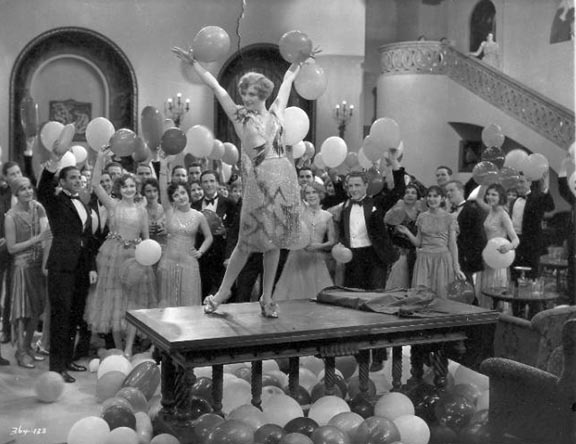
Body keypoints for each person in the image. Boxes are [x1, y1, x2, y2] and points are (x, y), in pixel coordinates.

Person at [173, 44, 306, 318]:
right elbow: (218, 89)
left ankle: (267, 297)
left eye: (252, 94)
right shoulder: (239, 117)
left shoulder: (277, 112)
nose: (246, 97)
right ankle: (223, 292)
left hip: (283, 185)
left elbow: (288, 80)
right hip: (259, 188)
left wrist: (300, 61)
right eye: (244, 93)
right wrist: (195, 64)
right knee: (246, 244)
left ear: (263, 95)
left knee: (275, 243)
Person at [85, 149, 157, 358]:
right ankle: (119, 348)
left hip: (135, 258)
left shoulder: (141, 209)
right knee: (114, 302)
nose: (128, 189)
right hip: (112, 256)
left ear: (137, 188)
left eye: (132, 186)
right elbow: (96, 185)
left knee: (134, 304)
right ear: (119, 188)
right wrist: (99, 160)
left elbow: (146, 238)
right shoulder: (113, 205)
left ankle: (129, 347)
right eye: (124, 186)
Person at [38, 156, 98, 383]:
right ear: (61, 182)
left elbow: (87, 238)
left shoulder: (82, 202)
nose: (77, 180)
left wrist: (91, 266)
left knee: (74, 315)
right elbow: (43, 186)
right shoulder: (54, 200)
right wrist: (51, 164)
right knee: (60, 316)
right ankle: (56, 367)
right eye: (71, 177)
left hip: (81, 267)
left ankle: (67, 360)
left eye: (78, 177)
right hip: (61, 266)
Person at [5, 177, 50, 368]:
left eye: (29, 188)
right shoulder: (10, 216)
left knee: (37, 307)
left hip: (38, 264)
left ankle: (28, 345)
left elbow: (47, 233)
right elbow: (12, 248)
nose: (28, 192)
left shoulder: (37, 207)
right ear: (16, 193)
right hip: (22, 267)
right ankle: (20, 351)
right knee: (22, 310)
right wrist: (37, 239)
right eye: (22, 189)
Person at [157, 157, 212, 307]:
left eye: (182, 193)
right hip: (169, 262)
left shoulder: (199, 215)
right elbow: (162, 189)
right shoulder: (169, 211)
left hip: (189, 263)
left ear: (188, 194)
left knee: (187, 301)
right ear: (172, 199)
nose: (180, 197)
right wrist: (163, 165)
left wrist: (200, 251)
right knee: (169, 302)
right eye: (175, 195)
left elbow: (209, 237)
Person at [397, 185, 465, 298]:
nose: (431, 199)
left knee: (441, 295)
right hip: (424, 260)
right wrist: (407, 232)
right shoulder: (422, 217)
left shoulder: (449, 218)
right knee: (421, 296)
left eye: (435, 196)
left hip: (442, 260)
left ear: (442, 198)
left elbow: (453, 245)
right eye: (429, 196)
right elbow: (419, 243)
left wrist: (456, 267)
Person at [275, 183, 335, 301]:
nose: (311, 195)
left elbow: (332, 241)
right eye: (308, 193)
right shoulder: (299, 214)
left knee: (317, 296)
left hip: (316, 259)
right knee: (293, 294)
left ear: (320, 194)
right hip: (297, 258)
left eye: (314, 192)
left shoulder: (328, 216)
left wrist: (319, 246)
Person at [192, 170, 237, 299]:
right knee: (204, 289)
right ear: (201, 184)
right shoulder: (194, 206)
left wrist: (224, 232)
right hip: (203, 256)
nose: (209, 184)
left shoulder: (229, 203)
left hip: (223, 255)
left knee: (225, 292)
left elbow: (235, 230)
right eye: (205, 182)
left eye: (212, 181)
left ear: (217, 183)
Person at [474, 183, 520, 307]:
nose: (489, 197)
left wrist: (508, 247)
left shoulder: (503, 214)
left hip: (498, 257)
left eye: (494, 194)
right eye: (488, 194)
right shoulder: (490, 210)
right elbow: (478, 198)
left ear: (501, 197)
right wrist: (483, 181)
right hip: (486, 256)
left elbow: (515, 240)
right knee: (482, 290)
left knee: (493, 291)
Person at [445, 180, 486, 297]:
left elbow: (480, 236)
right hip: (450, 256)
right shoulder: (448, 211)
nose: (448, 193)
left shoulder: (472, 210)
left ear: (461, 191)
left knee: (467, 289)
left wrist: (470, 256)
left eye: (452, 190)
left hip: (465, 257)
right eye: (447, 191)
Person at [511, 171, 555, 280]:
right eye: (517, 182)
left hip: (531, 244)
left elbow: (550, 206)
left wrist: (545, 189)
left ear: (529, 182)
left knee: (531, 274)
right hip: (515, 242)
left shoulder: (537, 197)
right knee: (514, 274)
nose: (519, 184)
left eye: (522, 182)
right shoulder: (513, 199)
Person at [384, 184, 425, 289]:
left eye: (413, 193)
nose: (410, 195)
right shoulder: (394, 210)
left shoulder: (421, 213)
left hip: (414, 251)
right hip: (397, 251)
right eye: (407, 192)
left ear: (417, 196)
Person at [141, 178, 166, 249]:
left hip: (165, 249)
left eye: (155, 190)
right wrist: (144, 231)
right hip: (147, 250)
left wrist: (167, 230)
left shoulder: (167, 209)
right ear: (144, 193)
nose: (152, 194)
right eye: (148, 191)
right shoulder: (140, 211)